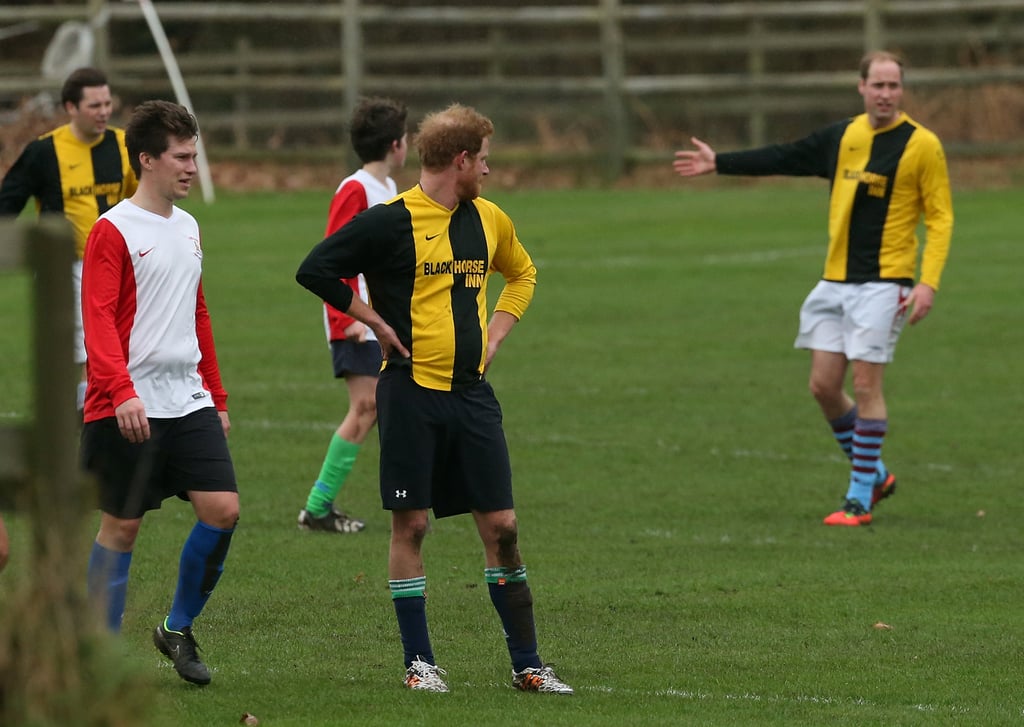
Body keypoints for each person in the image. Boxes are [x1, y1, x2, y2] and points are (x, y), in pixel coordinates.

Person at [296, 103, 573, 694]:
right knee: (412, 525)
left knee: (502, 525)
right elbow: (316, 269)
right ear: (462, 160)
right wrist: (372, 320)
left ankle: (528, 665)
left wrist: (497, 333)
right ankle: (419, 664)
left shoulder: (489, 219)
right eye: (485, 161)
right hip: (410, 393)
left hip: (472, 398)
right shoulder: (391, 221)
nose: (490, 173)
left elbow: (522, 274)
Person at [673, 50, 954, 527]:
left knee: (865, 384)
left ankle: (859, 499)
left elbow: (941, 217)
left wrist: (927, 282)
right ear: (861, 86)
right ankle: (878, 473)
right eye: (878, 85)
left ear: (902, 91)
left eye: (894, 86)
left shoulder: (922, 145)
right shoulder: (843, 136)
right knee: (824, 386)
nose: (886, 93)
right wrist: (720, 162)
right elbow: (785, 155)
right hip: (835, 279)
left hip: (886, 283)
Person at [80, 100, 238, 686]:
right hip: (128, 403)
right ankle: (98, 655)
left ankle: (175, 628)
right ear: (146, 159)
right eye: (180, 157)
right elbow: (96, 318)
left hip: (188, 398)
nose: (191, 167)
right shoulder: (113, 229)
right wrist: (120, 390)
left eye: (193, 155)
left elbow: (197, 312)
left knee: (223, 511)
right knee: (122, 528)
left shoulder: (190, 226)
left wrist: (216, 397)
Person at [297, 96, 408, 534]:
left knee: (387, 406)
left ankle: (407, 499)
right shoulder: (355, 189)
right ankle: (318, 507)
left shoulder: (389, 191)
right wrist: (349, 320)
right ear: (396, 145)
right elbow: (331, 259)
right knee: (366, 406)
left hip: (381, 318)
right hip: (357, 321)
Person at [0, 67, 138, 413]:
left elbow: (143, 202)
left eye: (107, 103)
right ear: (71, 108)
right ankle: (78, 409)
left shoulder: (124, 146)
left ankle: (94, 406)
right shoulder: (45, 152)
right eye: (94, 105)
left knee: (120, 338)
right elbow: (8, 202)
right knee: (79, 341)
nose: (104, 111)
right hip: (65, 266)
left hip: (118, 262)